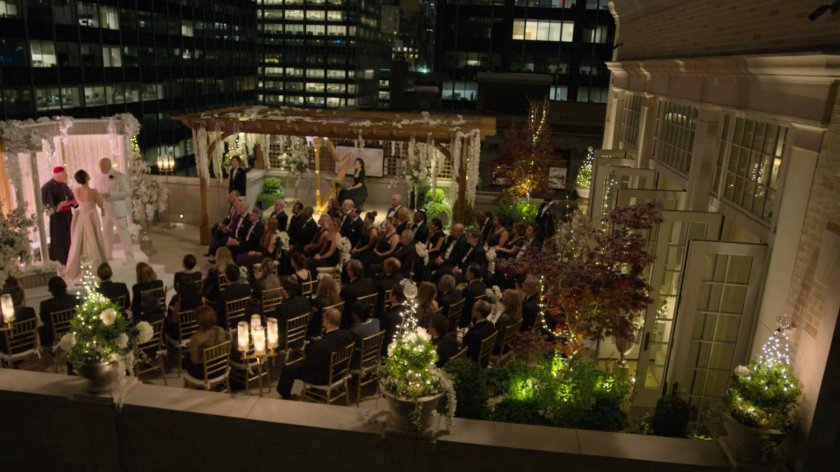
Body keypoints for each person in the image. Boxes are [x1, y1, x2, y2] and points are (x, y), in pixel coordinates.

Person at [276, 307, 354, 399]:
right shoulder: (348, 335)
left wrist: (305, 350)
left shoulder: (321, 345)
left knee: (287, 369)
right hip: (340, 372)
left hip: (323, 378)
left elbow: (310, 366)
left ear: (327, 321)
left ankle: (285, 397)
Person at [64, 169, 108, 280]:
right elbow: (100, 204)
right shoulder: (93, 191)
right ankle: (95, 267)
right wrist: (102, 197)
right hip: (91, 217)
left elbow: (76, 203)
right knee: (93, 240)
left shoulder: (75, 190)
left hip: (81, 216)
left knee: (79, 241)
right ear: (87, 177)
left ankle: (77, 267)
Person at [96, 157, 134, 262]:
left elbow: (127, 192)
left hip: (118, 209)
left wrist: (111, 194)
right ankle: (108, 255)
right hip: (105, 209)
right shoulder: (98, 177)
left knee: (123, 233)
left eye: (103, 165)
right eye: (100, 165)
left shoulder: (119, 176)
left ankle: (129, 256)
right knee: (107, 233)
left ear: (109, 165)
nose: (101, 167)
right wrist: (99, 203)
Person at [40, 166, 76, 265]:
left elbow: (71, 198)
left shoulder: (63, 185)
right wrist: (59, 206)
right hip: (57, 219)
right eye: (65, 174)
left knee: (70, 238)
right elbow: (47, 208)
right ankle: (61, 262)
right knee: (60, 240)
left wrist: (73, 202)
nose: (66, 176)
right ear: (59, 175)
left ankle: (71, 261)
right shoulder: (47, 187)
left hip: (68, 216)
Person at [183, 306, 230, 378]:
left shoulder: (196, 339)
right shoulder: (220, 330)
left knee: (185, 359)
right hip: (221, 368)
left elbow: (195, 361)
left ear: (198, 321)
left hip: (206, 373)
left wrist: (192, 347)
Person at [39, 276, 79, 348]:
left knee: (43, 329)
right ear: (65, 287)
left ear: (51, 291)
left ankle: (49, 351)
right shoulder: (76, 299)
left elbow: (44, 320)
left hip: (56, 334)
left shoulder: (46, 305)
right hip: (74, 330)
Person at [215, 264, 251, 328]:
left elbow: (219, 313)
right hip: (245, 318)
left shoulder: (222, 294)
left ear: (226, 277)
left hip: (230, 323)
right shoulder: (247, 288)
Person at [463, 300, 496, 366]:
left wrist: (470, 330)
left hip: (472, 360)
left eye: (474, 309)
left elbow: (464, 342)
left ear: (479, 313)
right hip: (485, 358)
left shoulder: (474, 334)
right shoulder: (491, 324)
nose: (472, 310)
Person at [348, 301, 380, 367]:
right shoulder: (377, 321)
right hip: (374, 356)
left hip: (361, 361)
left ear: (355, 315)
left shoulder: (355, 331)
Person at [380, 288, 405, 355]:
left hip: (388, 348)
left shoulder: (387, 316)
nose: (389, 294)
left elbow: (381, 332)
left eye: (390, 293)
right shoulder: (406, 311)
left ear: (394, 297)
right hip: (402, 343)